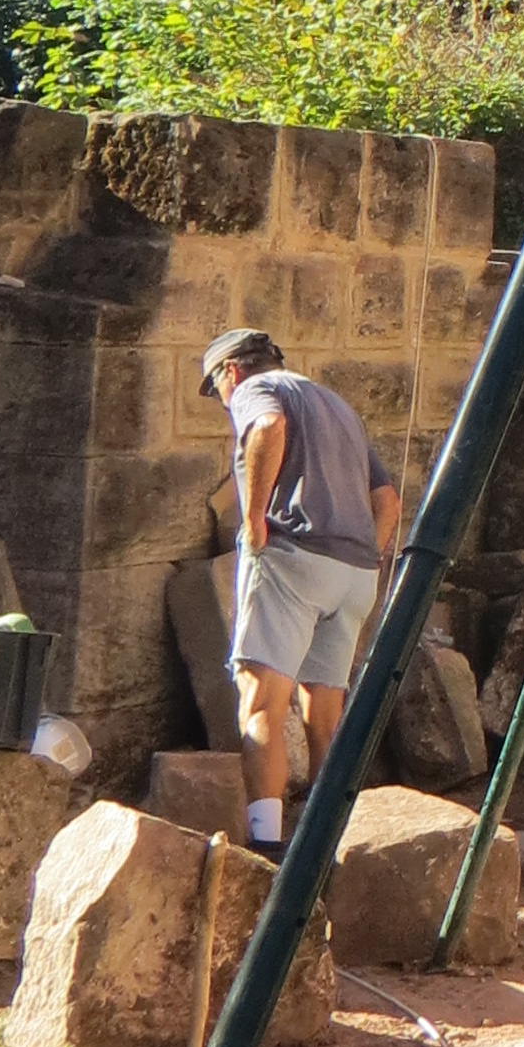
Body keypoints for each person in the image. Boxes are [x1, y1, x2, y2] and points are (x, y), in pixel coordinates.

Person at [199, 327, 401, 851]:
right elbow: (387, 499)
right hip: (355, 574)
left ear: (231, 371)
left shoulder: (255, 390)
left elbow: (269, 426)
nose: (223, 401)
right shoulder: (337, 405)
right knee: (325, 714)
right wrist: (368, 555)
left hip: (294, 560)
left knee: (261, 703)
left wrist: (254, 521)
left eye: (216, 389)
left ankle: (266, 848)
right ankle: (327, 843)